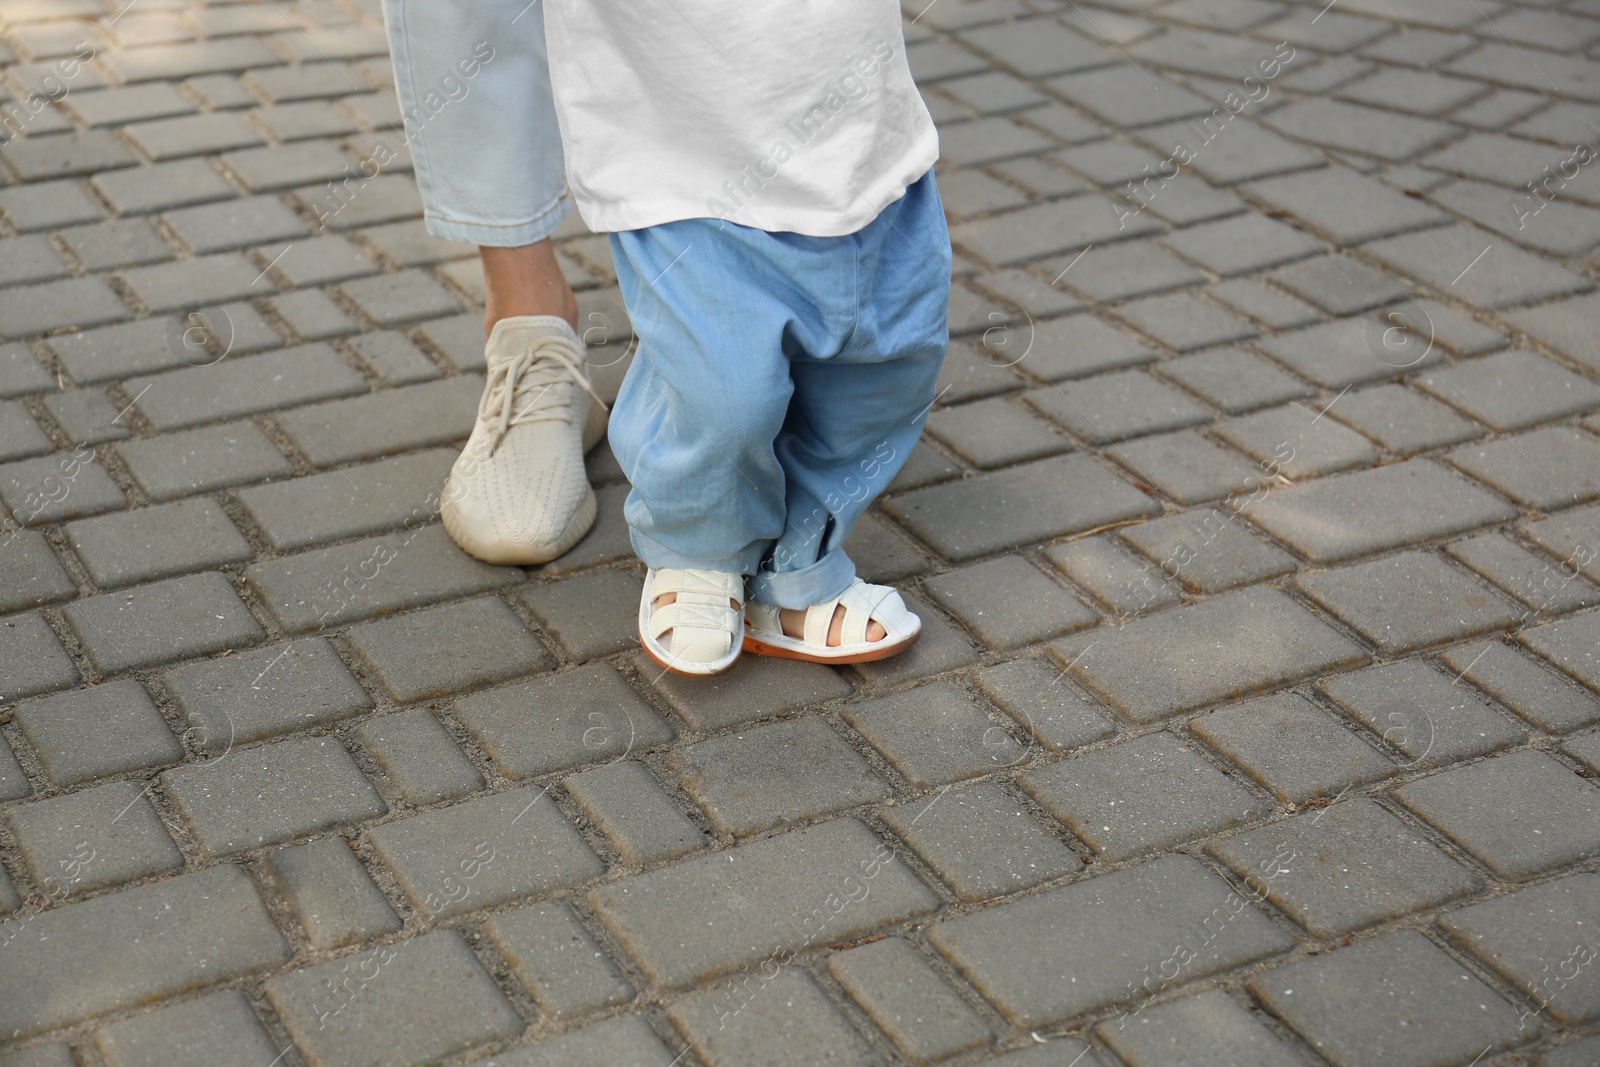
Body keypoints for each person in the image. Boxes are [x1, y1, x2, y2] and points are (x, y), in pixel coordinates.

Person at [380, 0, 951, 676]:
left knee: (892, 367)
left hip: (871, 144)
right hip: (688, 161)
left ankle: (795, 564)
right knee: (722, 389)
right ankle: (698, 549)